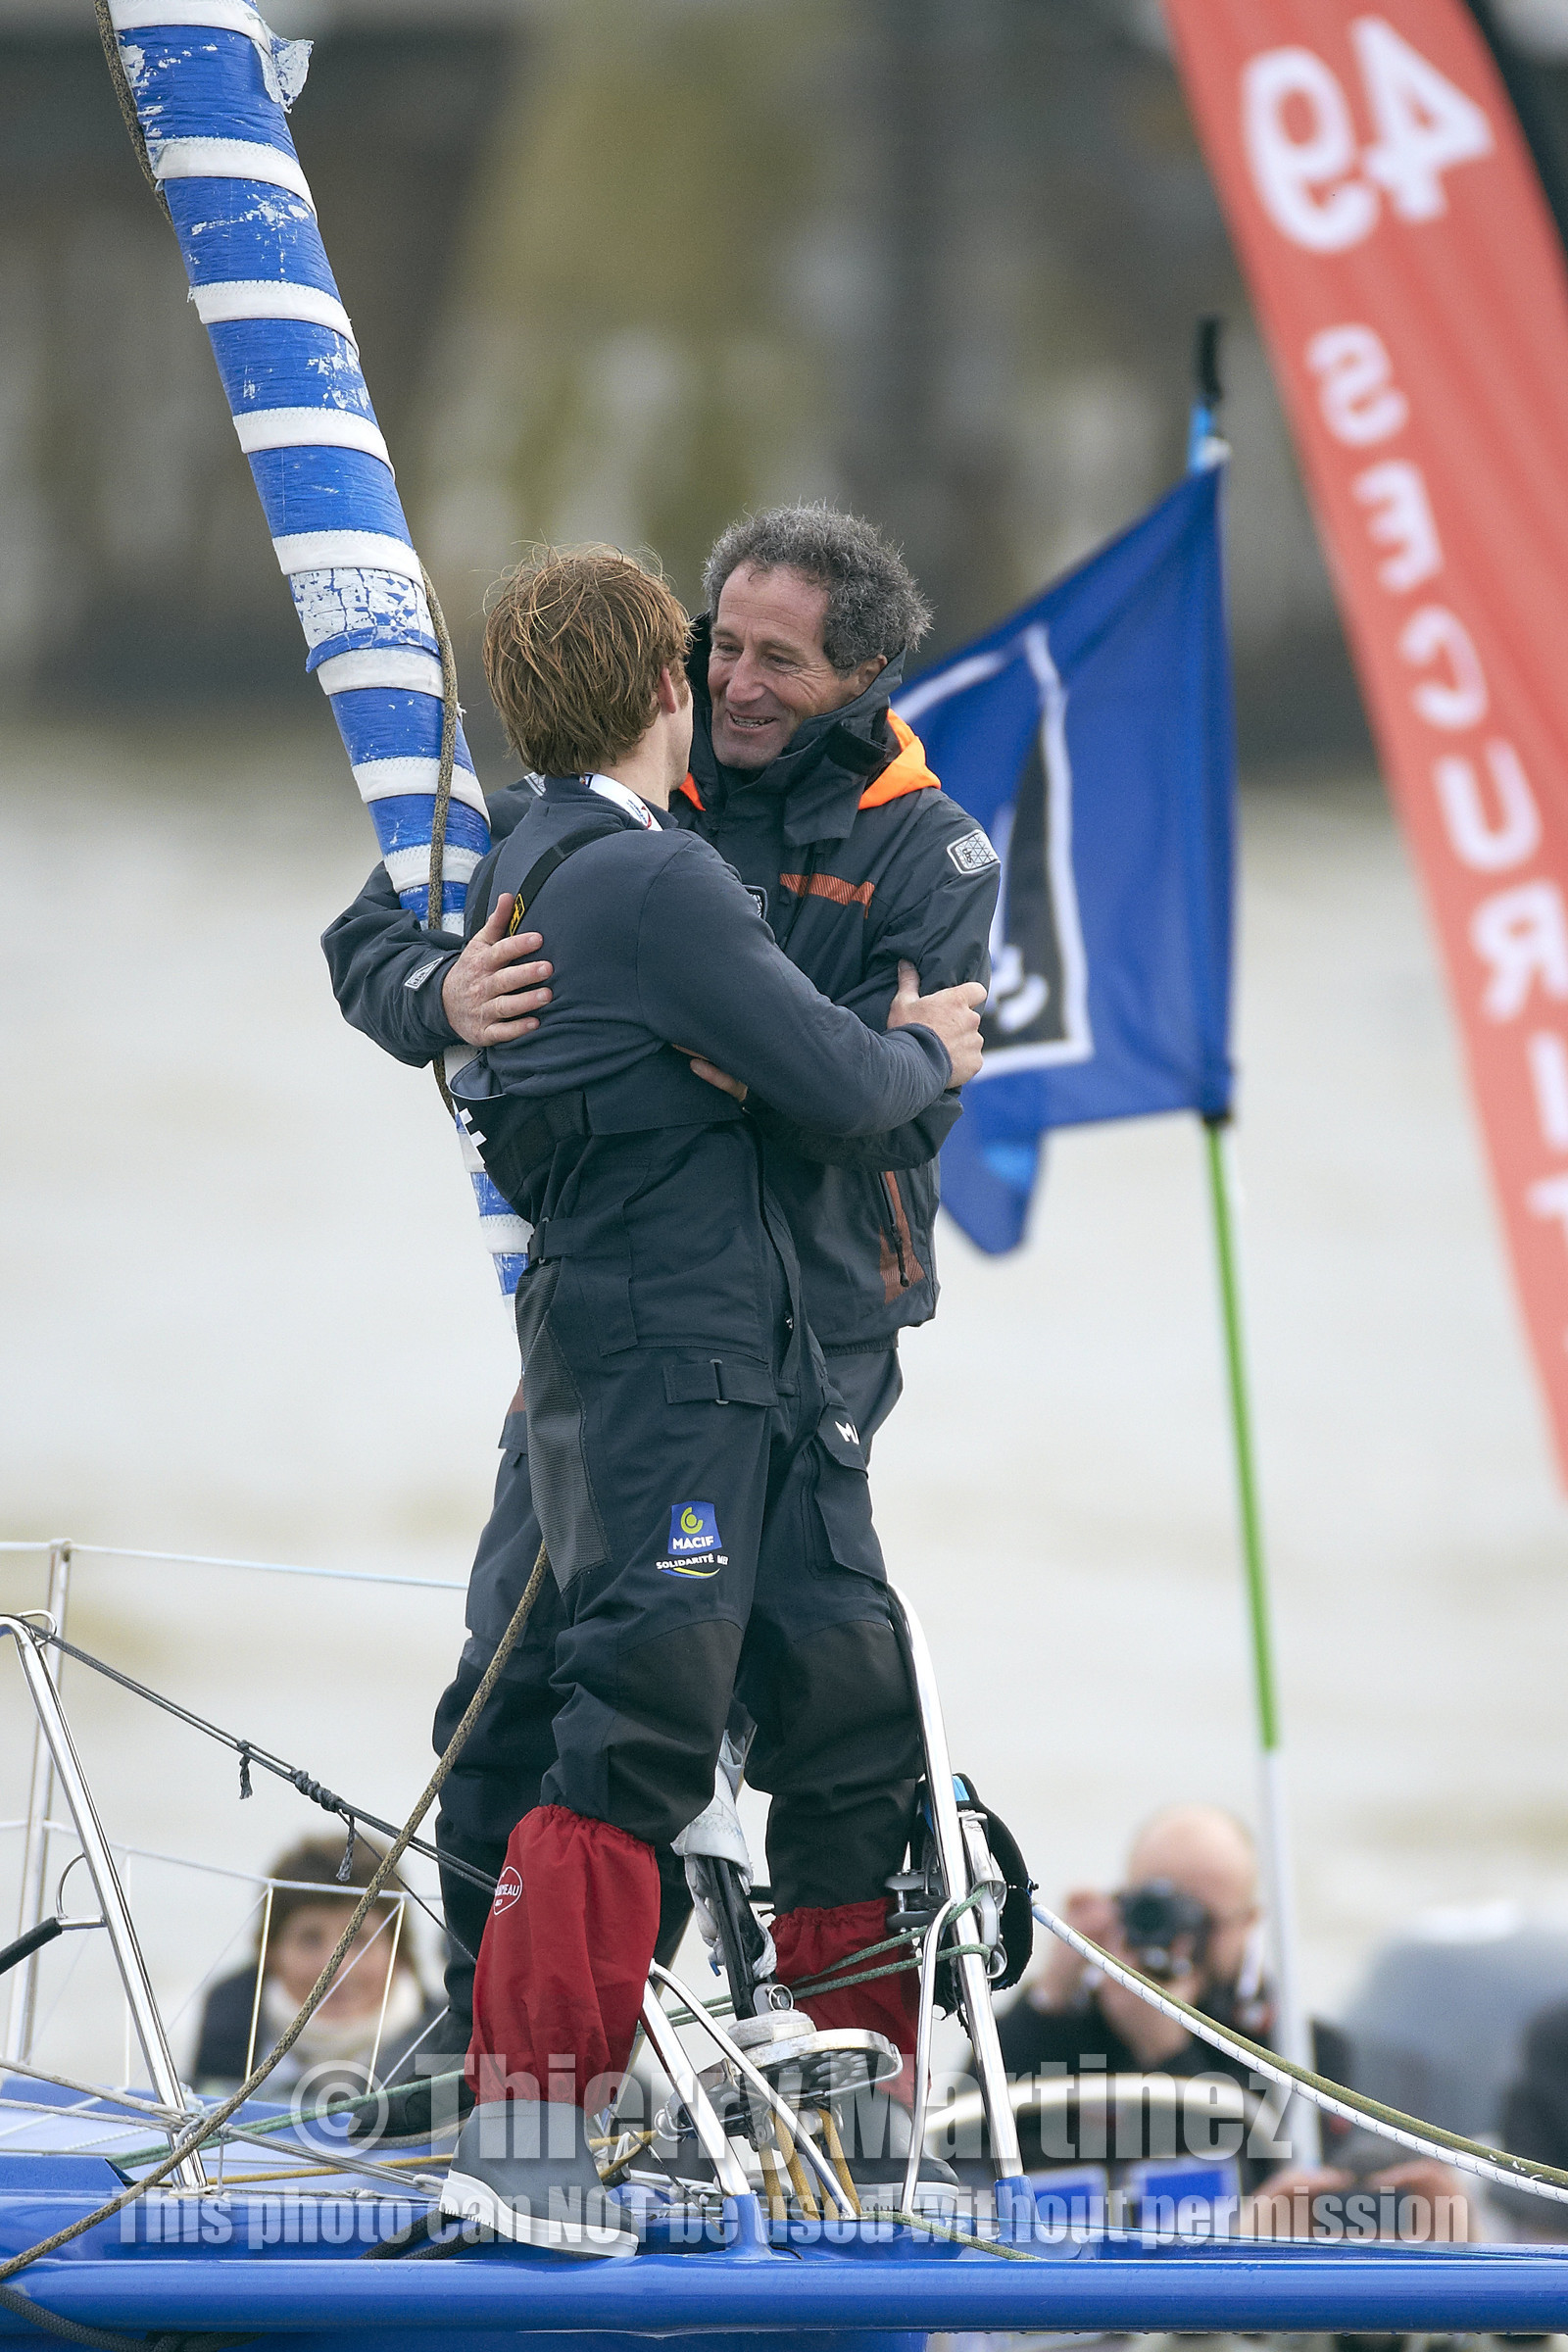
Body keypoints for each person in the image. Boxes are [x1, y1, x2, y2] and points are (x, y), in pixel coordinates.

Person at [319, 506, 999, 2101]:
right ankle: (506, 2059)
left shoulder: (929, 844)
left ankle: (856, 2091)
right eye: (719, 643)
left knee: (839, 1710)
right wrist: (445, 995)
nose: (737, 678)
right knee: (529, 1682)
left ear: (865, 672)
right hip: (634, 1333)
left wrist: (724, 1059)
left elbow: (890, 1109)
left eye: (779, 656)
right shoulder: (621, 803)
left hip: (817, 1344)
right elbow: (369, 938)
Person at [190, 1838, 438, 2098]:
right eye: (310, 1939)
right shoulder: (229, 2027)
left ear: (398, 1952)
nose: (336, 1969)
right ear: (271, 1952)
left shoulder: (452, 2043)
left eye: (359, 1940)